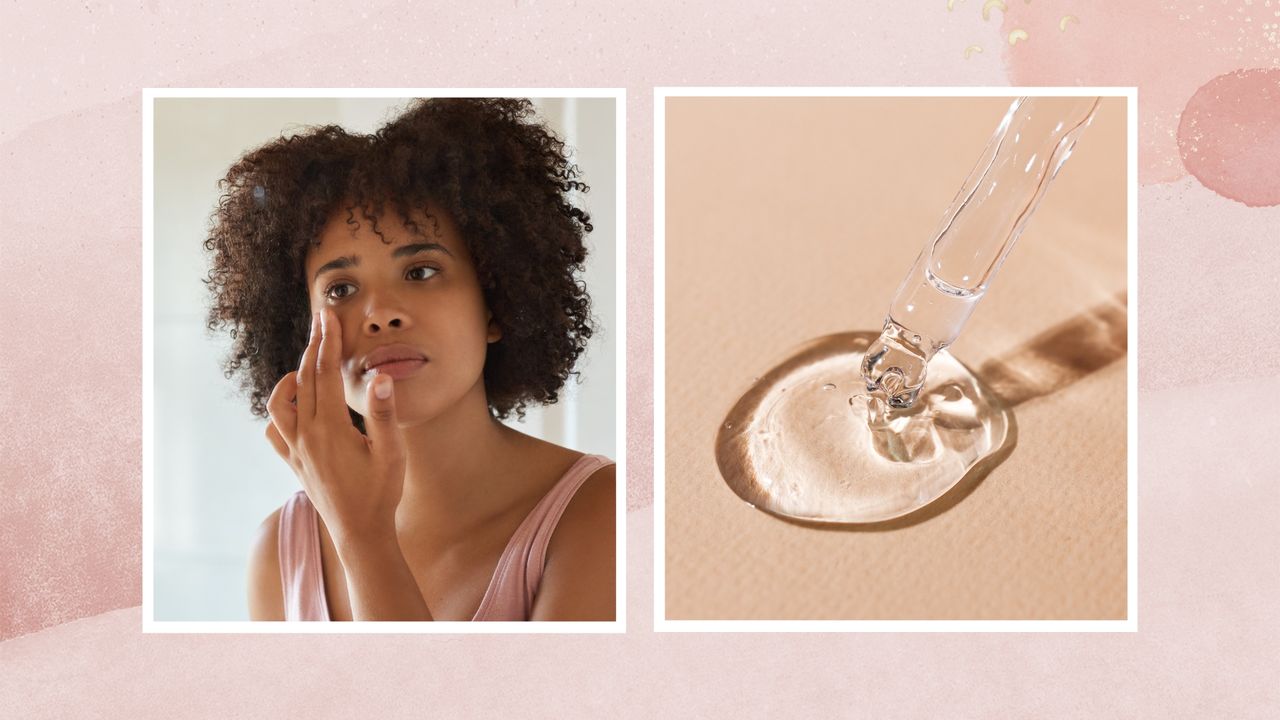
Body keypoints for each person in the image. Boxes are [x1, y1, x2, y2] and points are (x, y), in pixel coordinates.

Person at [203, 98, 615, 621]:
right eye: (342, 288)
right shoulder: (278, 553)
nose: (380, 315)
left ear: (495, 304)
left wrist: (363, 536)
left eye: (420, 271)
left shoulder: (604, 515)